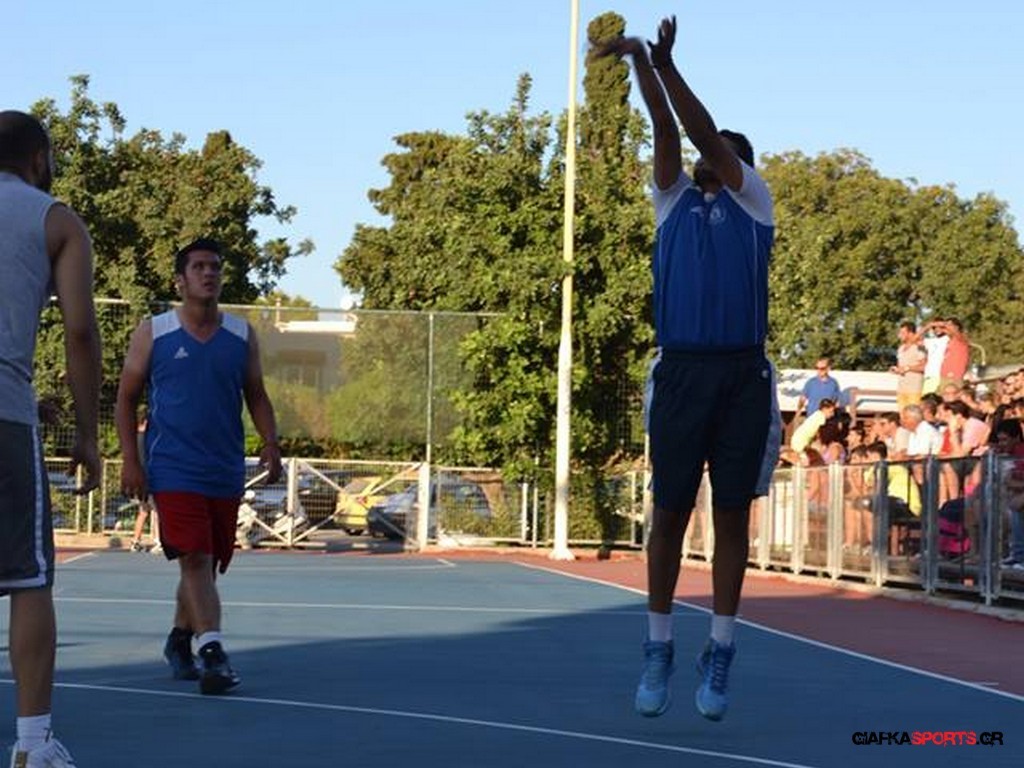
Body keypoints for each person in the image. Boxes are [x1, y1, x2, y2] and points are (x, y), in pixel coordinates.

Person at [595, 16, 777, 723]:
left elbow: (699, 133)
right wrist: (643, 62)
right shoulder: (671, 201)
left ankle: (721, 648)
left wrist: (668, 66)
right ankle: (659, 644)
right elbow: (668, 132)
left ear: (739, 168)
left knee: (731, 515)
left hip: (741, 375)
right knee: (669, 510)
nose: (705, 159)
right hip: (680, 373)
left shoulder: (753, 205)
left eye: (721, 154)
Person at [115, 237, 282, 696]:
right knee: (194, 556)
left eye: (215, 267)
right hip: (172, 467)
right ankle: (212, 652)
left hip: (224, 468)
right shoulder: (154, 332)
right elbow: (126, 398)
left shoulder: (241, 336)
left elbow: (256, 394)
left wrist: (271, 442)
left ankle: (179, 638)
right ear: (180, 280)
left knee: (205, 566)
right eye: (199, 267)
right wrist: (131, 459)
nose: (209, 273)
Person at [0, 110, 101, 767]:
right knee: (28, 580)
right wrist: (88, 435)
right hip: (4, 413)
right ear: (38, 159)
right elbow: (80, 332)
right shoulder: (55, 219)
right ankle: (33, 745)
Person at [128, 410, 158, 553]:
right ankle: (159, 541)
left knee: (143, 511)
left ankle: (135, 541)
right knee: (158, 511)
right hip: (148, 479)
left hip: (138, 480)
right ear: (146, 422)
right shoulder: (148, 439)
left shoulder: (132, 439)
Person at [891, 322, 927, 412]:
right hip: (901, 388)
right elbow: (900, 366)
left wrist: (908, 368)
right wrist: (896, 370)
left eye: (903, 333)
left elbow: (924, 366)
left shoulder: (919, 347)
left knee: (913, 414)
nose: (899, 335)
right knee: (902, 414)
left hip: (914, 389)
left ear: (910, 333)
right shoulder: (901, 348)